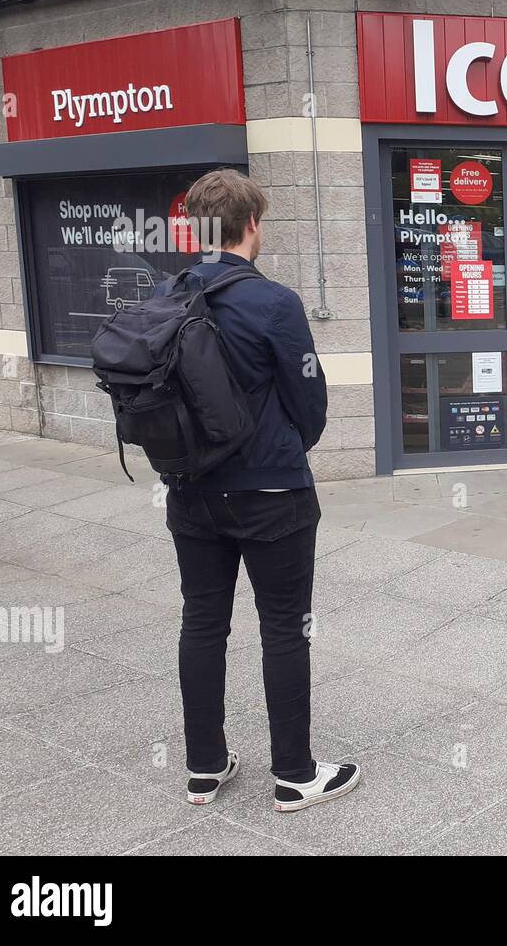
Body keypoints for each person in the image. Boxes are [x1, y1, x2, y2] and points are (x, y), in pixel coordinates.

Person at [162, 169, 360, 812]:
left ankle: (204, 767)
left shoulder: (170, 295)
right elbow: (310, 399)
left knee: (202, 621)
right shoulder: (274, 302)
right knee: (283, 629)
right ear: (253, 225)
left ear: (196, 227)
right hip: (272, 491)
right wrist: (285, 447)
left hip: (191, 492)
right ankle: (295, 775)